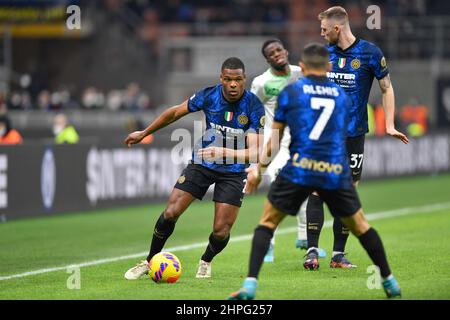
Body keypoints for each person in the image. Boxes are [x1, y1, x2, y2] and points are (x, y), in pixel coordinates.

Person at [228, 43, 402, 300]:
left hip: (300, 168)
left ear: (304, 68)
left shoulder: (292, 93)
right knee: (362, 226)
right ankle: (389, 281)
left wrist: (258, 170)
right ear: (329, 67)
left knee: (267, 222)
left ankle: (251, 285)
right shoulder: (343, 98)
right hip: (334, 169)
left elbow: (274, 139)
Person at [123, 57, 265, 280]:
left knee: (221, 231)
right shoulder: (209, 95)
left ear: (244, 79)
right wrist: (144, 133)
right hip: (203, 162)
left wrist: (224, 153)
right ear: (222, 79)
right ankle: (150, 261)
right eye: (228, 79)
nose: (233, 84)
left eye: (238, 79)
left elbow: (256, 152)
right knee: (170, 212)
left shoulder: (253, 105)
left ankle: (206, 260)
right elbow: (174, 112)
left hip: (234, 171)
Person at [302, 6, 409, 270]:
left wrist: (390, 123)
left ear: (337, 28)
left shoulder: (370, 54)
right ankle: (312, 252)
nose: (322, 33)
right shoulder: (322, 54)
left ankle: (338, 255)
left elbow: (387, 88)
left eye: (325, 29)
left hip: (354, 135)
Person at [250, 39, 326, 263]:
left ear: (286, 51)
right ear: (267, 59)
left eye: (278, 50)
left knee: (306, 187)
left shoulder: (300, 73)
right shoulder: (262, 83)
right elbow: (254, 109)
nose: (276, 55)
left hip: (301, 141)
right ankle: (269, 245)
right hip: (276, 142)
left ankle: (304, 238)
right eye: (271, 53)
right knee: (279, 186)